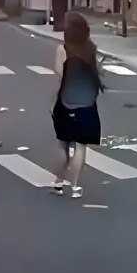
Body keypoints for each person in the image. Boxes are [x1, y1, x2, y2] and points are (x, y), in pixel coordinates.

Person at [49, 12, 104, 199]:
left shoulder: (62, 50)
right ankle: (75, 186)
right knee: (81, 146)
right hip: (87, 104)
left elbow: (58, 77)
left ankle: (58, 182)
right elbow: (98, 73)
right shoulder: (91, 49)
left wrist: (52, 102)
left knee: (62, 144)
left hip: (65, 102)